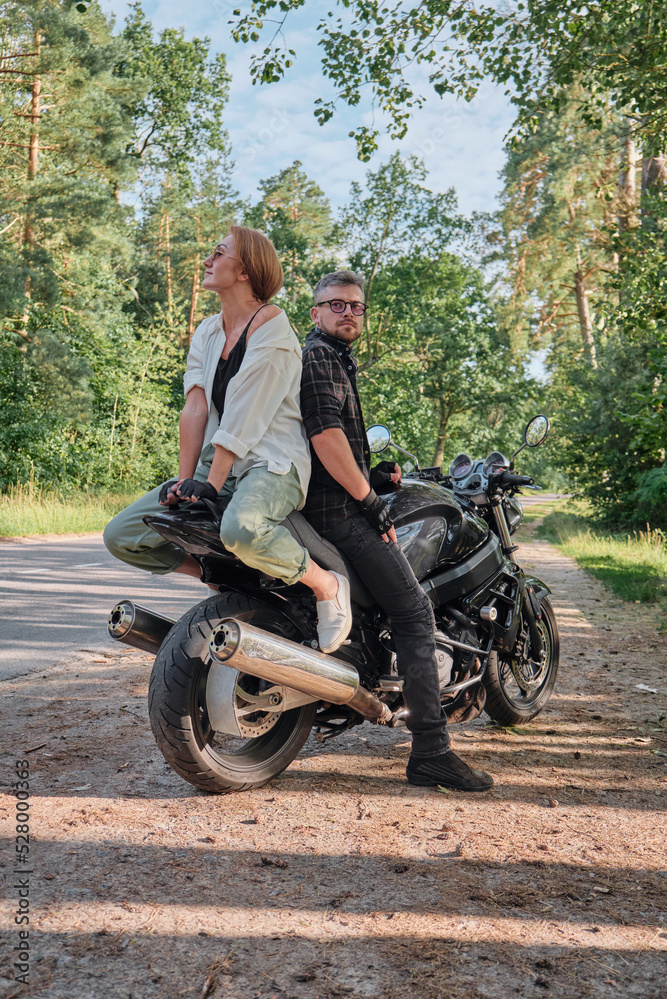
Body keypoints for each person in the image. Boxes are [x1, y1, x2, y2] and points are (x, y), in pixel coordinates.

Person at [103, 228, 351, 654]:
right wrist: (184, 483)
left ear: (245, 271)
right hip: (217, 459)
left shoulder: (274, 328)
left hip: (271, 462)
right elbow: (195, 408)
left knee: (241, 531)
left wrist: (212, 486)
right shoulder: (207, 331)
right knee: (122, 535)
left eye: (218, 253)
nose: (207, 260)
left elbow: (245, 416)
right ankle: (219, 576)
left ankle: (325, 584)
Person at [299, 270, 494, 791]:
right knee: (413, 612)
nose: (348, 312)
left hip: (329, 501)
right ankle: (431, 750)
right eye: (336, 304)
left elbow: (333, 448)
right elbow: (324, 436)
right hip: (336, 514)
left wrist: (376, 478)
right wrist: (370, 502)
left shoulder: (334, 358)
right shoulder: (319, 357)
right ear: (315, 312)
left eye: (356, 306)